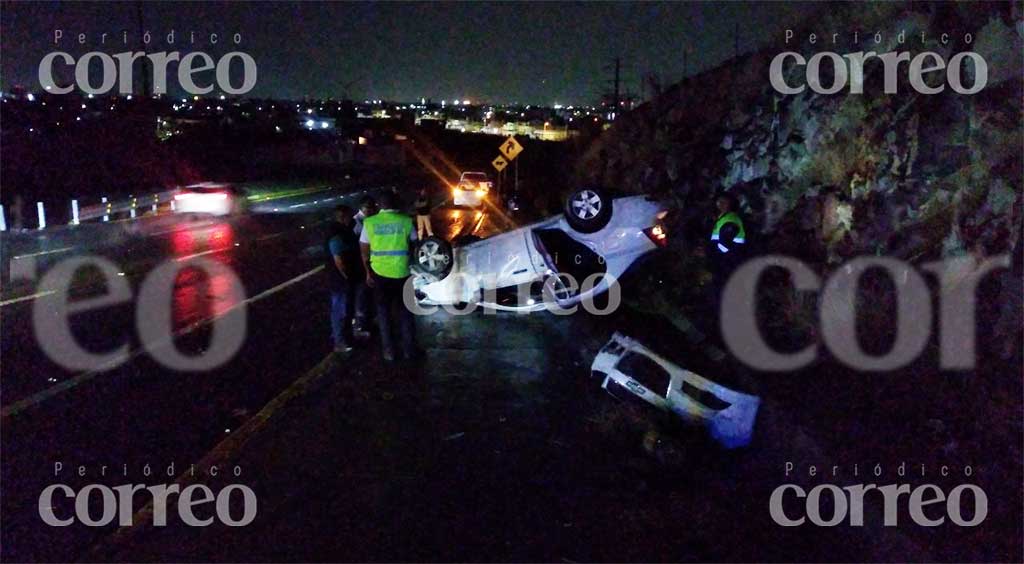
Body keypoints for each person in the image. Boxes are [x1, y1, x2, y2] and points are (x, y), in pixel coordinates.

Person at [360, 192, 417, 362]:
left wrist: (368, 272)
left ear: (380, 205)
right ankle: (409, 350)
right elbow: (415, 244)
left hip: (379, 274)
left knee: (383, 314)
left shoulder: (369, 223)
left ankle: (389, 352)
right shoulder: (406, 221)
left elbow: (364, 249)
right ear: (397, 205)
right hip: (403, 273)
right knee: (406, 313)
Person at [326, 205, 364, 354]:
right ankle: (339, 342)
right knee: (340, 311)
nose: (351, 219)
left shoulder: (344, 231)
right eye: (349, 216)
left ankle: (346, 337)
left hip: (344, 279)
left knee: (346, 310)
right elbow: (339, 260)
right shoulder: (336, 234)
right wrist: (347, 277)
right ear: (342, 217)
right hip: (340, 281)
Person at [707, 192, 747, 309]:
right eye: (719, 202)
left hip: (733, 256)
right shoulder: (722, 219)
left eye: (723, 202)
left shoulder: (730, 219)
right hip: (728, 258)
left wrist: (717, 253)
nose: (720, 204)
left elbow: (725, 244)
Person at [351, 196, 377, 336]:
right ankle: (361, 324)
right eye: (370, 208)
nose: (373, 211)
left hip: (368, 261)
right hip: (361, 263)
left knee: (367, 293)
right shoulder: (357, 223)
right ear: (363, 208)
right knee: (361, 294)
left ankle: (367, 320)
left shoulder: (367, 221)